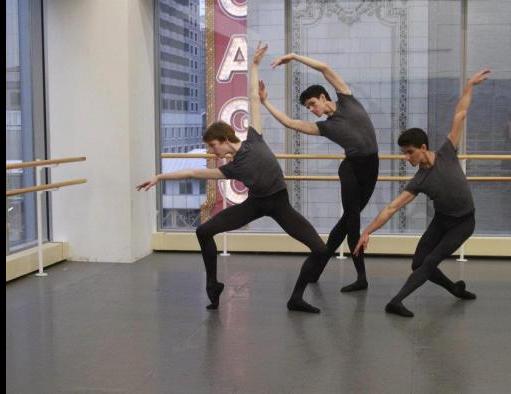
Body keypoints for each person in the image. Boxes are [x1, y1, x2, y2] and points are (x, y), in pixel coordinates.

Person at [137, 42, 326, 313]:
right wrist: (160, 176)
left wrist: (255, 64)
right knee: (203, 231)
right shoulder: (231, 168)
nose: (212, 151)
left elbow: (252, 98)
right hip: (255, 204)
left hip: (279, 204)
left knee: (319, 249)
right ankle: (213, 285)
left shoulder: (254, 138)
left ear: (225, 139)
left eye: (214, 146)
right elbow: (193, 171)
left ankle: (296, 297)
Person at [353, 69, 491, 317]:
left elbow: (460, 114)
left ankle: (396, 301)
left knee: (429, 262)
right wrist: (367, 231)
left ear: (423, 148)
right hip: (442, 221)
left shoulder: (447, 152)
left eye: (409, 152)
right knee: (419, 263)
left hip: (463, 223)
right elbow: (392, 208)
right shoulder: (419, 180)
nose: (406, 158)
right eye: (404, 153)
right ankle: (455, 289)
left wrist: (469, 84)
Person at [259, 52, 379, 292]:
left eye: (313, 104)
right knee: (352, 222)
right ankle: (361, 277)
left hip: (371, 167)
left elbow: (325, 67)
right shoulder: (324, 128)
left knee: (344, 224)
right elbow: (290, 123)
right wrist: (265, 103)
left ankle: (317, 266)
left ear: (324, 97)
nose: (312, 110)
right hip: (351, 170)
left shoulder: (347, 100)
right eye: (308, 108)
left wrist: (293, 56)